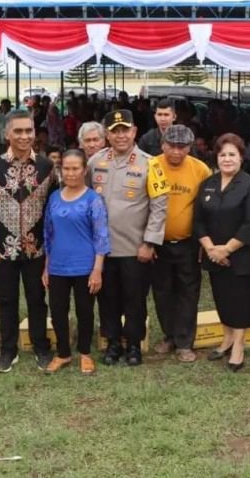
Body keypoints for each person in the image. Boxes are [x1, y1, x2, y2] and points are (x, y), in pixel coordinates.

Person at [0, 110, 57, 373]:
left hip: (37, 249)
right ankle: (8, 350)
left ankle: (41, 347)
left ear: (35, 133)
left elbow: (54, 209)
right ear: (7, 134)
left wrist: (51, 248)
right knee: (7, 301)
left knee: (37, 299)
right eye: (18, 131)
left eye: (29, 131)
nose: (24, 136)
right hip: (2, 249)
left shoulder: (47, 167)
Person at [88, 109, 169, 367]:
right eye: (115, 131)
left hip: (136, 248)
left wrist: (150, 243)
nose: (120, 135)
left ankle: (133, 344)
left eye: (125, 130)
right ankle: (113, 344)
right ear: (107, 135)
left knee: (135, 300)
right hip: (103, 249)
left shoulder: (151, 163)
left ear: (134, 132)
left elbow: (159, 205)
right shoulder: (95, 162)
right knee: (108, 299)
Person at [193, 133, 250, 372]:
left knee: (240, 301)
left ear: (241, 157)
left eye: (232, 154)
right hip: (213, 254)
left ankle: (238, 346)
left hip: (240, 255)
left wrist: (226, 249)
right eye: (223, 154)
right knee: (221, 298)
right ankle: (226, 338)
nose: (227, 159)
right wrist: (210, 249)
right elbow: (198, 220)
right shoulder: (208, 184)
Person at [42, 150, 110, 375]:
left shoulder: (93, 199)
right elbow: (48, 235)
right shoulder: (54, 198)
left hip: (85, 266)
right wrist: (46, 267)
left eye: (75, 168)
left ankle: (84, 353)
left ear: (84, 170)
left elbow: (101, 236)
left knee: (85, 312)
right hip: (58, 266)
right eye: (66, 168)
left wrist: (97, 270)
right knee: (58, 311)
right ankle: (62, 353)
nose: (70, 173)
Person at [149, 125, 212, 362]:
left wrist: (203, 243)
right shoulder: (151, 165)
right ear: (162, 144)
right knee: (162, 291)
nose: (176, 151)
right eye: (171, 146)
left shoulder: (201, 170)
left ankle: (185, 342)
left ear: (189, 147)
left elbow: (207, 209)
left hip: (188, 243)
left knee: (188, 292)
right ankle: (169, 336)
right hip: (158, 242)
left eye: (182, 147)